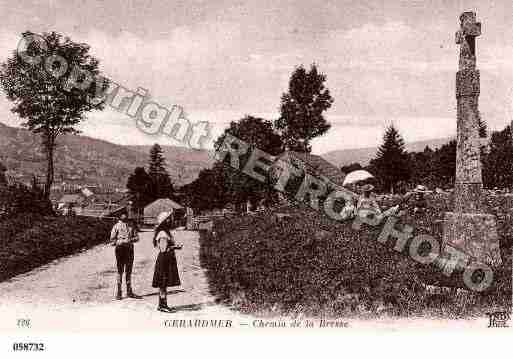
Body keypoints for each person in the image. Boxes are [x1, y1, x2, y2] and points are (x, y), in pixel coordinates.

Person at [152, 211, 182, 312]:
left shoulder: (165, 232)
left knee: (163, 283)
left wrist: (174, 247)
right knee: (163, 283)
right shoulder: (163, 233)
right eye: (168, 219)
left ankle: (162, 304)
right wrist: (175, 247)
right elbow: (164, 249)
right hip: (164, 259)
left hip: (166, 259)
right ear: (164, 222)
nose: (170, 220)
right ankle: (163, 305)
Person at [110, 210, 141, 300]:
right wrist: (120, 242)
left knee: (129, 269)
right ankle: (119, 292)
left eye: (125, 215)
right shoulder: (116, 226)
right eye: (122, 215)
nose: (124, 216)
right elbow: (112, 241)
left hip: (129, 249)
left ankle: (129, 291)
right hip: (120, 250)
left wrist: (130, 240)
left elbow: (137, 237)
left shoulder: (131, 226)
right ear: (119, 216)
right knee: (120, 270)